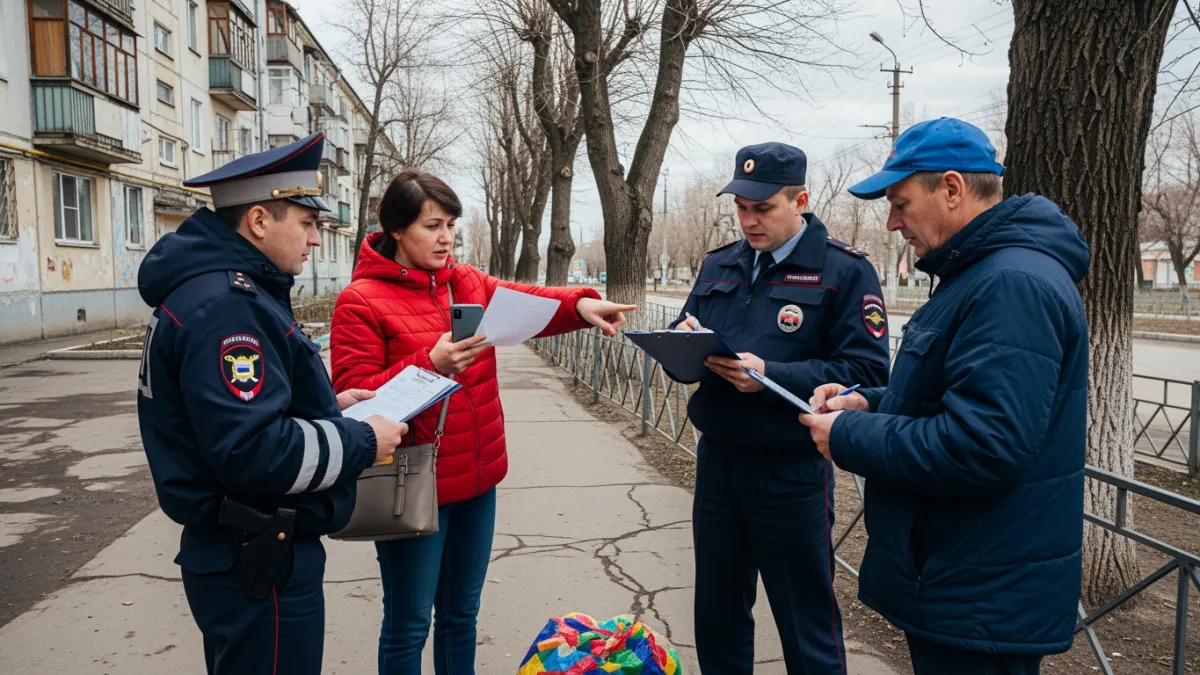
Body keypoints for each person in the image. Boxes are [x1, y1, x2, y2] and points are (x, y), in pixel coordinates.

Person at [800, 117, 1090, 675]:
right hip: (963, 577)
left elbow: (984, 444)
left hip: (981, 591)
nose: (891, 222)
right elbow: (956, 400)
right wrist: (870, 403)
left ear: (952, 189)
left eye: (901, 203)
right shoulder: (980, 274)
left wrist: (849, 435)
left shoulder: (1011, 283)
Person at [329, 169, 637, 675]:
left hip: (477, 481)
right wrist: (431, 365)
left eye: (450, 223)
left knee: (460, 617)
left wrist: (582, 304)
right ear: (398, 229)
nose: (446, 237)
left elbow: (529, 302)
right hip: (410, 484)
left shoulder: (466, 282)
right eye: (432, 225)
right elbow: (356, 402)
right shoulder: (360, 300)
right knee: (409, 623)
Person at [135, 133, 409, 674]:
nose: (313, 239)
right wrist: (361, 438)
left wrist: (329, 404)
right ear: (259, 221)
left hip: (248, 549)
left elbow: (238, 412)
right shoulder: (227, 307)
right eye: (306, 224)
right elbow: (253, 449)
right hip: (257, 554)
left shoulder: (226, 292)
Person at [668, 142, 891, 674]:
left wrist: (772, 376)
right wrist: (679, 343)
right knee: (717, 616)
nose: (749, 220)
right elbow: (686, 335)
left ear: (801, 200)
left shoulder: (843, 270)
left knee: (804, 622)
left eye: (763, 208)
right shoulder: (720, 262)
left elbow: (867, 374)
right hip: (719, 463)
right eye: (742, 207)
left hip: (790, 472)